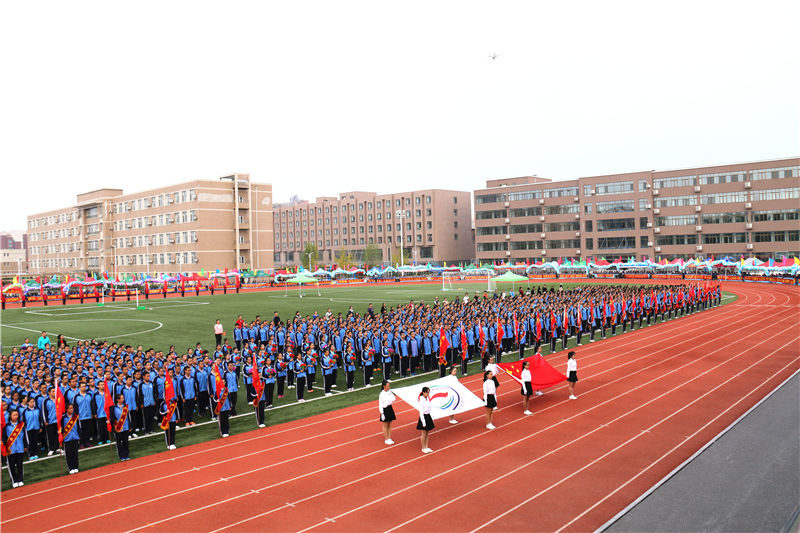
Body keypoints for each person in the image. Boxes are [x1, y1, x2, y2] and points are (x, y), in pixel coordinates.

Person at [3, 409, 27, 487]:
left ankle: (20, 479)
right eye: (14, 415)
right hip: (10, 449)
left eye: (17, 415)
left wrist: (25, 445)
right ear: (10, 416)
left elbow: (25, 436)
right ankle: (14, 481)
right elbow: (4, 437)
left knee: (20, 465)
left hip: (20, 448)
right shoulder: (6, 426)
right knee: (11, 466)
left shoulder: (21, 424)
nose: (16, 416)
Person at [110, 394, 131, 461]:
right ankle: (121, 456)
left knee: (125, 442)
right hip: (118, 428)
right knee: (119, 443)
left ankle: (126, 455)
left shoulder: (125, 407)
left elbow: (128, 417)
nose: (123, 399)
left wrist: (130, 425)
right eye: (121, 398)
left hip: (125, 427)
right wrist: (113, 427)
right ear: (117, 400)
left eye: (123, 398)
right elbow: (112, 418)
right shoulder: (114, 408)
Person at [62, 403, 81, 474]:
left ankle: (76, 466)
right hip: (67, 438)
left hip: (75, 437)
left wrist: (79, 436)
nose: (71, 410)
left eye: (72, 408)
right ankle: (70, 467)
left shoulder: (75, 417)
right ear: (66, 409)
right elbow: (61, 428)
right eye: (70, 408)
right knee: (69, 454)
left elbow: (78, 427)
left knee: (75, 453)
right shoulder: (63, 418)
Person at [378, 380, 396, 445]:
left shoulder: (390, 392)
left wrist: (391, 394)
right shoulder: (381, 394)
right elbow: (380, 404)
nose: (389, 387)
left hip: (390, 408)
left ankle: (389, 437)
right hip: (384, 409)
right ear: (384, 386)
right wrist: (382, 413)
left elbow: (394, 399)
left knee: (390, 424)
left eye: (389, 386)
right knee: (385, 425)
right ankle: (386, 439)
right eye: (387, 386)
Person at [417, 386, 434, 454]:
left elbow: (429, 408)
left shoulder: (427, 398)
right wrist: (423, 422)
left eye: (428, 392)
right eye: (427, 392)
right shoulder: (421, 400)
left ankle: (426, 447)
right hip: (423, 417)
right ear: (423, 392)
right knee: (423, 434)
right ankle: (423, 448)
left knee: (427, 433)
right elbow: (421, 412)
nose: (428, 394)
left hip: (428, 416)